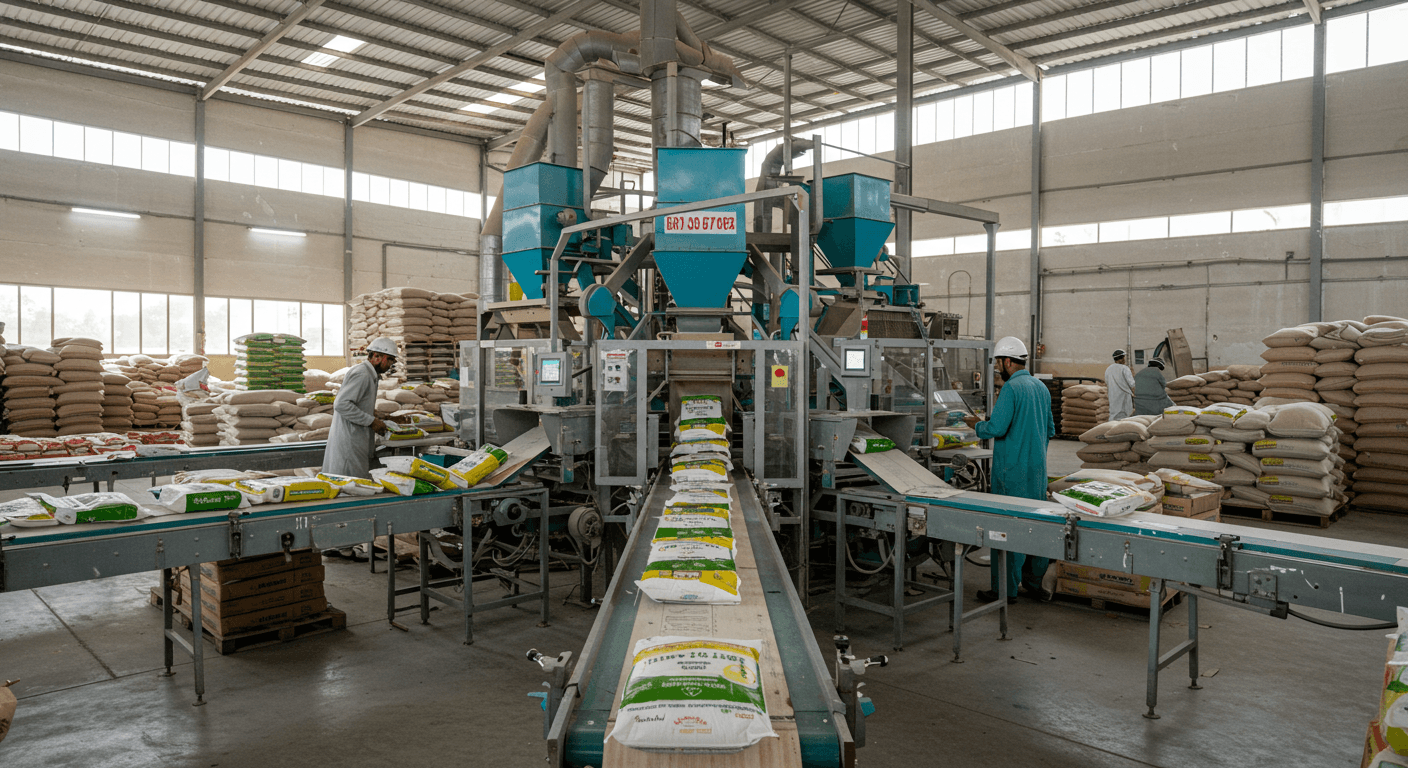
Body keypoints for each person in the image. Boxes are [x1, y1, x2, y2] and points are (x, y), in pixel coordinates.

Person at [964, 336, 1055, 604]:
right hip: (1037, 472)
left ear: (1006, 361)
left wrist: (975, 425)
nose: (999, 371)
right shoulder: (1041, 388)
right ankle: (1034, 582)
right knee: (1035, 526)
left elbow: (996, 428)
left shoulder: (1012, 389)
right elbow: (1049, 429)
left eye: (999, 365)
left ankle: (1005, 589)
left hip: (1012, 472)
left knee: (1006, 529)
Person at [323, 337, 398, 478]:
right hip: (350, 441)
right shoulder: (362, 374)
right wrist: (372, 421)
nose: (390, 365)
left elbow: (357, 403)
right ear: (376, 356)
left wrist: (377, 415)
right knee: (350, 485)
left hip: (356, 438)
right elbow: (342, 404)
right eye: (389, 360)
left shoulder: (371, 375)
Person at [1105, 349, 1135, 421]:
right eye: (1123, 358)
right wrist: (1134, 393)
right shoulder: (1124, 368)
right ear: (1121, 358)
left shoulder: (1108, 369)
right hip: (1124, 395)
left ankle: (1112, 429)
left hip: (1112, 395)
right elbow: (1132, 383)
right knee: (1126, 415)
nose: (1124, 360)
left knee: (1113, 414)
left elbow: (1106, 382)